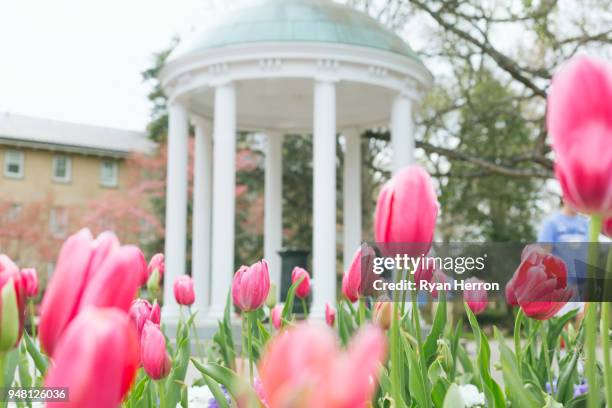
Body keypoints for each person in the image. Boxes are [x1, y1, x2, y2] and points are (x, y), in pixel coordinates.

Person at [538, 197, 589, 316]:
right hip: (562, 280)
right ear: (564, 198)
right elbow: (544, 251)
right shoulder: (551, 223)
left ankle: (578, 335)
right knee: (563, 319)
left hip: (583, 278)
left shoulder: (585, 223)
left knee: (584, 317)